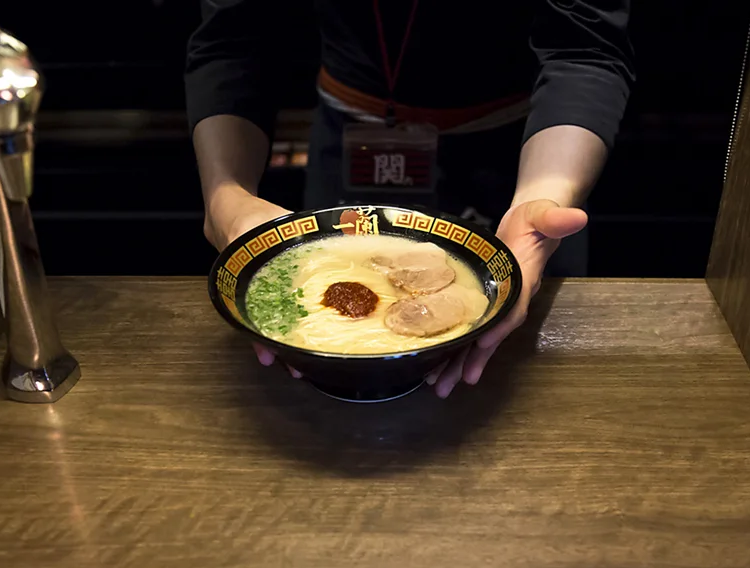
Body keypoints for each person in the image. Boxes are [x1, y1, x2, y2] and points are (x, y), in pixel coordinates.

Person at [185, 0, 635, 398]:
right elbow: (232, 36)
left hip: (522, 151)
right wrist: (228, 196)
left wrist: (542, 199)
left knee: (520, 381)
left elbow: (583, 45)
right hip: (350, 140)